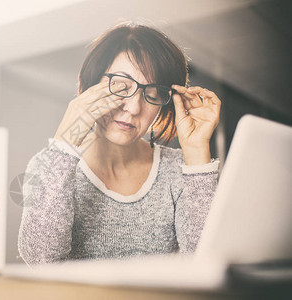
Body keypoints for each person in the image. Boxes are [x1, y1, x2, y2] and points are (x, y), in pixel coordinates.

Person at [18, 21, 221, 266]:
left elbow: (207, 263)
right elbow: (40, 259)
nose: (134, 108)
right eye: (121, 86)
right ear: (89, 85)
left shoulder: (179, 169)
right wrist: (66, 143)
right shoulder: (47, 164)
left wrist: (197, 152)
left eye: (152, 94)